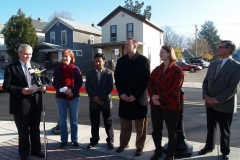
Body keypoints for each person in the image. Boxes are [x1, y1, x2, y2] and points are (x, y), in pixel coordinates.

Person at [3, 44, 45, 160]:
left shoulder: (36, 67)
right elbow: (6, 86)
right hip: (20, 104)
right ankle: (24, 153)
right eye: (25, 54)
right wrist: (21, 90)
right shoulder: (11, 68)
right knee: (23, 131)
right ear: (19, 54)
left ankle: (36, 150)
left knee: (35, 129)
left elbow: (42, 82)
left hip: (35, 103)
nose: (28, 56)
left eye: (30, 54)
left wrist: (42, 88)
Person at [200, 40, 240, 160]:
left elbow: (232, 88)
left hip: (225, 104)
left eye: (220, 47)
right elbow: (206, 82)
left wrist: (217, 99)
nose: (217, 48)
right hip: (209, 103)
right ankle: (209, 146)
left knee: (225, 130)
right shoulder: (213, 64)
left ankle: (225, 152)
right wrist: (206, 96)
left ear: (228, 50)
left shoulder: (236, 66)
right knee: (210, 127)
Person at [114, 38, 150, 156]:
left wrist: (135, 95)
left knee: (140, 126)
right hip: (124, 98)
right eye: (125, 45)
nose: (126, 47)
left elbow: (144, 81)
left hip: (139, 99)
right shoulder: (121, 61)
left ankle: (140, 146)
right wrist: (121, 93)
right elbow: (117, 78)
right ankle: (123, 143)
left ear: (135, 46)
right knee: (125, 124)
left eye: (128, 45)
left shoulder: (144, 61)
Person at [147, 46, 184, 160]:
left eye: (162, 52)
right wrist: (153, 96)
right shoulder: (157, 69)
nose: (160, 54)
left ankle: (170, 154)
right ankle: (158, 151)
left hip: (171, 106)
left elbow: (175, 89)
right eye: (160, 52)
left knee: (172, 132)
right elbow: (150, 83)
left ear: (169, 53)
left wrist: (159, 97)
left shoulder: (177, 70)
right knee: (156, 130)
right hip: (156, 105)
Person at [52, 49, 83, 148]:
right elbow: (55, 82)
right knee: (62, 121)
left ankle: (75, 140)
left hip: (74, 97)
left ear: (71, 58)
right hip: (61, 97)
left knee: (74, 121)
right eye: (63, 56)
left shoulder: (76, 69)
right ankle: (64, 140)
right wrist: (64, 90)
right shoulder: (57, 69)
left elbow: (79, 82)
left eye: (67, 56)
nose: (65, 58)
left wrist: (71, 90)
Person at [85, 53, 114, 149]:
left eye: (99, 61)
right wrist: (96, 98)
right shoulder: (89, 73)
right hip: (94, 102)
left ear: (104, 62)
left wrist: (100, 98)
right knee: (94, 122)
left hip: (105, 102)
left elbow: (109, 87)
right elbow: (88, 87)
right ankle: (94, 140)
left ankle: (110, 141)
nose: (97, 63)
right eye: (96, 61)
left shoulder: (109, 73)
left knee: (108, 123)